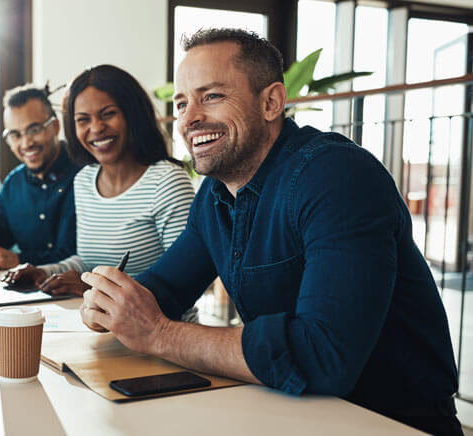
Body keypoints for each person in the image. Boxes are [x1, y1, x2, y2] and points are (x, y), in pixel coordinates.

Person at [79, 29, 461, 436]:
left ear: (271, 102)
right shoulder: (214, 194)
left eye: (211, 96)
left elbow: (322, 356)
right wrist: (114, 302)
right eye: (181, 102)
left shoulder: (336, 176)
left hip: (389, 423)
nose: (189, 119)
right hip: (288, 414)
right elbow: (165, 289)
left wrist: (158, 333)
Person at [2, 65, 196, 301]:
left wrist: (93, 290)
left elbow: (184, 282)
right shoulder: (84, 180)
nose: (95, 128)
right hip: (99, 328)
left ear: (131, 115)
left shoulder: (167, 182)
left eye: (108, 114)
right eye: (83, 120)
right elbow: (87, 261)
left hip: (160, 333)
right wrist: (42, 272)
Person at [0, 84, 82, 269]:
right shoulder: (14, 183)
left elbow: (78, 255)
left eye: (34, 130)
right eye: (15, 135)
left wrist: (19, 260)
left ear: (55, 126)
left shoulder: (85, 175)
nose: (26, 143)